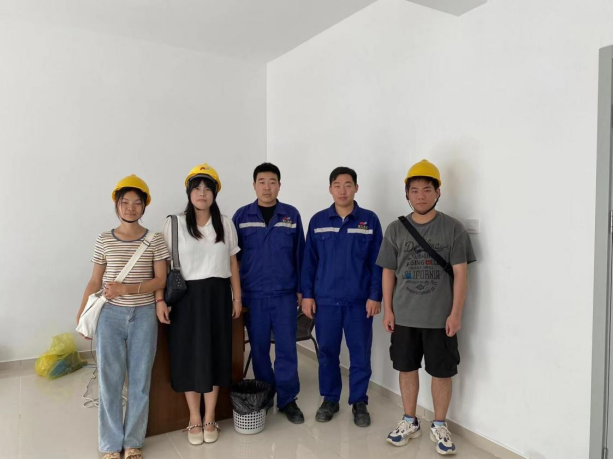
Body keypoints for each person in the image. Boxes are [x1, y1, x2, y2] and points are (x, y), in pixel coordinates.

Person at [377, 160, 476, 456]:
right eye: (415, 190)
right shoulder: (395, 229)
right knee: (406, 368)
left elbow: (461, 274)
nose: (421, 195)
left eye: (427, 189)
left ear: (438, 192)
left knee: (441, 372)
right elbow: (388, 272)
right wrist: (388, 310)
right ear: (407, 194)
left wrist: (456, 313)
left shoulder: (453, 229)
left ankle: (440, 424)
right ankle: (410, 420)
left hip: (440, 318)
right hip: (404, 316)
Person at [76, 175, 169, 460]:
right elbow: (95, 281)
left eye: (137, 203)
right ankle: (110, 444)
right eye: (125, 202)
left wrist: (127, 289)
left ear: (144, 206)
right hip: (110, 316)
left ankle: (132, 443)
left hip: (144, 315)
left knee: (140, 381)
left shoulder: (155, 239)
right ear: (117, 205)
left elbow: (161, 279)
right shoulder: (104, 239)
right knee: (110, 381)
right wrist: (82, 314)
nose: (130, 208)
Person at [157, 163, 242, 446]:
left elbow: (232, 262)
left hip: (218, 295)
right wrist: (160, 300)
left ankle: (210, 416)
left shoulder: (225, 223)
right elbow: (161, 265)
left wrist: (237, 297)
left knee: (216, 353)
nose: (202, 193)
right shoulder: (174, 224)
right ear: (189, 192)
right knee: (188, 355)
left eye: (208, 188)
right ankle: (194, 417)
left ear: (215, 193)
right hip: (186, 298)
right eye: (197, 188)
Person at [301, 167, 383, 428]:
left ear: (356, 188)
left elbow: (377, 263)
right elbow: (309, 262)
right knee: (327, 353)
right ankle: (330, 399)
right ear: (330, 189)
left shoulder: (369, 221)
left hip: (359, 302)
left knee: (360, 354)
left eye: (348, 185)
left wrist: (375, 295)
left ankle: (359, 402)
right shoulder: (318, 221)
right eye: (337, 185)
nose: (343, 190)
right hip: (326, 302)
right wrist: (307, 296)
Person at [232, 163, 306, 424]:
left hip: (285, 295)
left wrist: (301, 290)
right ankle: (265, 394)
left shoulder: (291, 215)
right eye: (261, 182)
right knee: (259, 350)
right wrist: (236, 294)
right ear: (254, 185)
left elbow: (300, 255)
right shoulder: (241, 216)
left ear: (279, 185)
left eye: (272, 182)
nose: (267, 187)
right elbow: (232, 259)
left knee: (286, 349)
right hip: (253, 296)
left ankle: (287, 399)